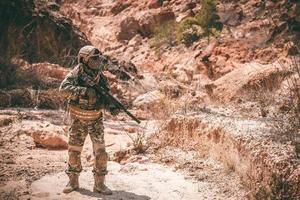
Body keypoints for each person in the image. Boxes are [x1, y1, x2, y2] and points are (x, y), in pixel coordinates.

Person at [59, 45, 119, 195]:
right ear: (84, 60)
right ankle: (73, 182)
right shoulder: (76, 74)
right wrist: (84, 91)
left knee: (101, 153)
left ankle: (99, 184)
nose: (97, 61)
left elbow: (105, 97)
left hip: (95, 120)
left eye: (98, 58)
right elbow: (63, 89)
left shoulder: (101, 77)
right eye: (93, 59)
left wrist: (111, 107)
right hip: (77, 119)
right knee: (74, 152)